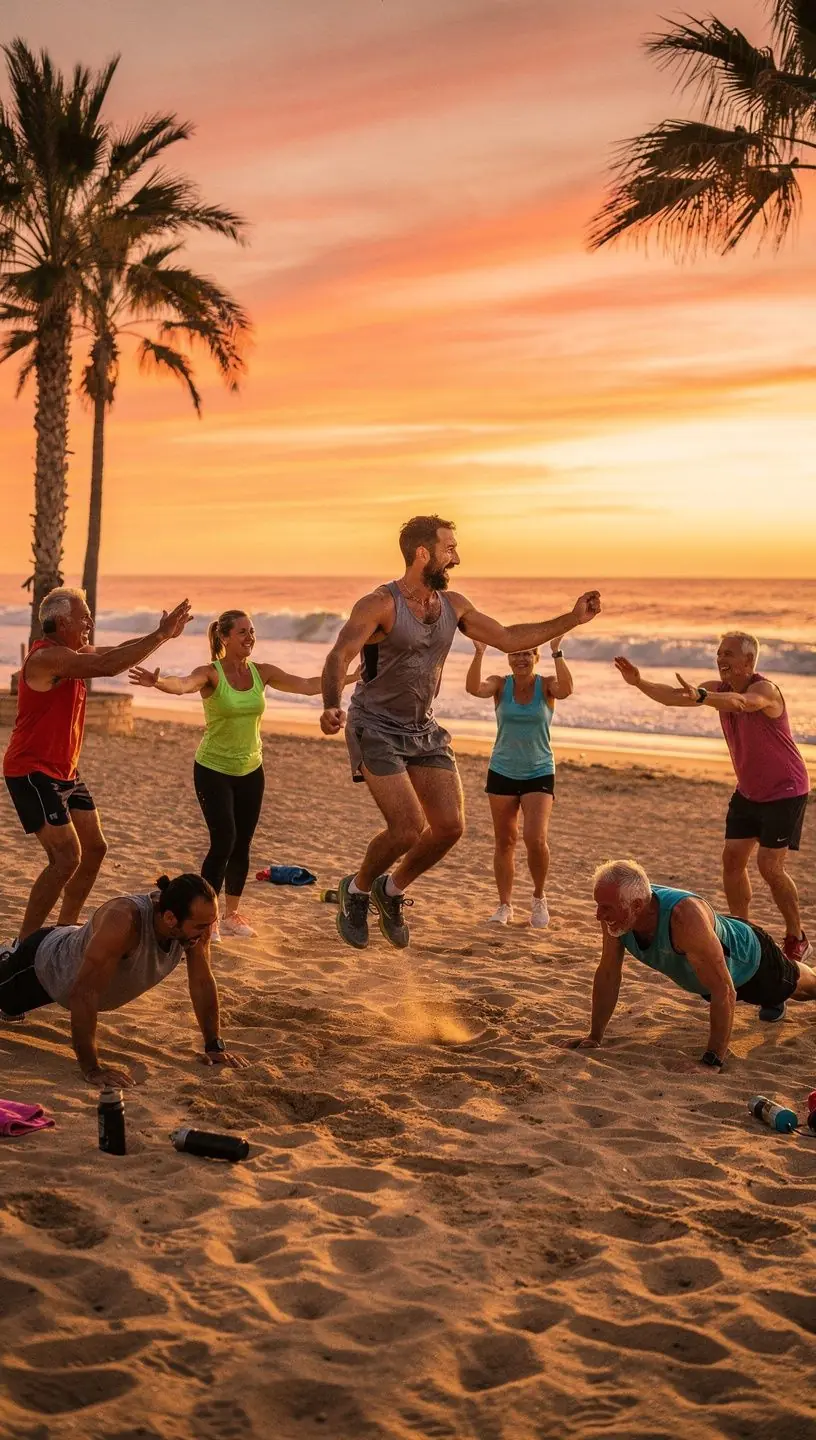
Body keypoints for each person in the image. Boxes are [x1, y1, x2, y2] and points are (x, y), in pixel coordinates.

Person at [320, 514, 601, 950]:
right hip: (374, 725)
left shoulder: (453, 605)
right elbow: (340, 655)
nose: (457, 557)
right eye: (449, 549)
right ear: (422, 553)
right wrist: (331, 704)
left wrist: (571, 619)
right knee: (408, 828)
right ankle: (355, 892)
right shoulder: (380, 604)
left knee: (449, 828)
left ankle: (389, 892)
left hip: (422, 728)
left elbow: (508, 637)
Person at [130, 609, 355, 941]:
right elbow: (183, 684)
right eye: (242, 632)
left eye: (252, 632)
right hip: (213, 769)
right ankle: (210, 919)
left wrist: (350, 678)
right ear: (224, 637)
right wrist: (159, 682)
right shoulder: (211, 674)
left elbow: (308, 686)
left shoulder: (261, 673)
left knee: (242, 845)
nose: (250, 637)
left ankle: (232, 913)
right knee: (223, 842)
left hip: (251, 768)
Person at [3, 588, 193, 941]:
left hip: (65, 773)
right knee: (66, 858)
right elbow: (107, 666)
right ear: (61, 623)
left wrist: (162, 634)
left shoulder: (72, 653)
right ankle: (24, 944)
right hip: (31, 771)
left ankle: (63, 930)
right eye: (83, 617)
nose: (90, 622)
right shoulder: (46, 659)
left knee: (95, 848)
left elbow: (116, 653)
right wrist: (159, 636)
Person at [615, 632, 810, 963]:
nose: (721, 659)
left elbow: (743, 703)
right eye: (719, 653)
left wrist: (703, 696)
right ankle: (745, 933)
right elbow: (671, 697)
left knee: (769, 866)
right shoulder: (715, 690)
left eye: (729, 654)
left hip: (786, 789)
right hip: (748, 790)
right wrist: (638, 682)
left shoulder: (765, 690)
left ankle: (797, 937)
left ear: (748, 661)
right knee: (732, 861)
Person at [0, 873, 247, 1086]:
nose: (208, 932)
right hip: (42, 964)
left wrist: (214, 1046)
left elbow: (202, 982)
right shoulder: (124, 921)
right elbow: (83, 993)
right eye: (202, 926)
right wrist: (92, 1069)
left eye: (210, 924)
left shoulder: (194, 929)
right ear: (170, 918)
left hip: (78, 955)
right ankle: (7, 955)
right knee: (8, 1007)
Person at [569, 859, 816, 1069]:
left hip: (752, 960)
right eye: (598, 905)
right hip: (711, 965)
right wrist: (594, 1037)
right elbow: (608, 973)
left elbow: (724, 990)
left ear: (636, 905)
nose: (598, 915)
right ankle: (775, 998)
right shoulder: (618, 913)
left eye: (606, 908)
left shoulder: (683, 920)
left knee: (799, 985)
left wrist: (712, 1061)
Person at [466, 635, 573, 927]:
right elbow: (474, 688)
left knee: (535, 839)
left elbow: (566, 690)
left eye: (527, 653)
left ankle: (539, 899)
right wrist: (478, 653)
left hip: (539, 770)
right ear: (509, 658)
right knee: (505, 841)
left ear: (535, 656)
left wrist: (557, 652)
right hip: (502, 769)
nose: (521, 659)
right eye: (515, 654)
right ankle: (505, 906)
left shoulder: (546, 684)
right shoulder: (500, 684)